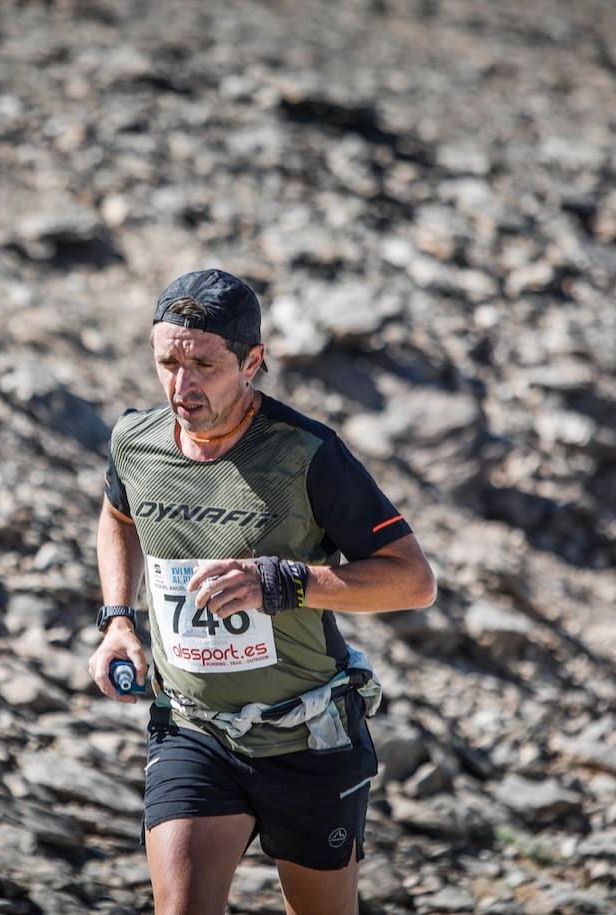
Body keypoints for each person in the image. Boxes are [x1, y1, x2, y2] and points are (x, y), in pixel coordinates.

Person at [87, 268, 436, 915]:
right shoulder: (135, 442)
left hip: (307, 738)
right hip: (193, 730)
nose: (181, 387)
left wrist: (284, 580)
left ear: (253, 362)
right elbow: (119, 515)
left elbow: (412, 579)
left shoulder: (307, 454)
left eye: (204, 365)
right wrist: (117, 618)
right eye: (167, 362)